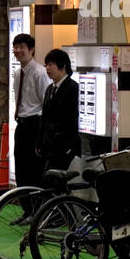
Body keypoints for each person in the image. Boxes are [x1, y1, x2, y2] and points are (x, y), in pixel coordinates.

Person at [12, 33, 51, 188]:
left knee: (34, 168)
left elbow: (46, 103)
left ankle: (36, 208)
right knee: (21, 167)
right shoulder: (17, 73)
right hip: (21, 124)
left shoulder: (40, 73)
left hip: (35, 124)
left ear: (31, 50)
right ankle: (26, 206)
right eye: (15, 47)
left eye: (22, 47)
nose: (18, 50)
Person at [36, 49, 80, 181]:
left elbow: (73, 119)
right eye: (46, 65)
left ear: (63, 66)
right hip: (48, 146)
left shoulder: (73, 88)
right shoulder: (50, 89)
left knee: (53, 181)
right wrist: (39, 142)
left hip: (64, 147)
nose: (48, 69)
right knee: (48, 181)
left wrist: (68, 146)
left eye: (51, 65)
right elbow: (44, 118)